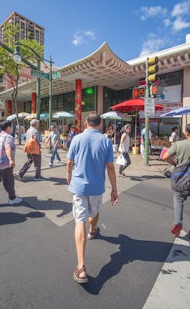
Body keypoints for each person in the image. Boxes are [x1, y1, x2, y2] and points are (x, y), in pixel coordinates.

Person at [66, 112, 119, 284]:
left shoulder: (77, 138)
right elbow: (111, 168)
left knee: (79, 220)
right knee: (94, 212)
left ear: (85, 123)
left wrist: (68, 175)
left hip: (79, 187)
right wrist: (114, 190)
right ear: (100, 124)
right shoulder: (106, 141)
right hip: (97, 188)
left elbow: (69, 162)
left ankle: (81, 267)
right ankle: (92, 230)